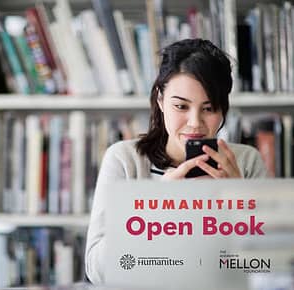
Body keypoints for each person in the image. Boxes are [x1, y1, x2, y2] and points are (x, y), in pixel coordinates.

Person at [84, 38, 269, 284]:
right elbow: (97, 271)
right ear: (160, 100)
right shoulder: (125, 160)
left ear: (223, 108)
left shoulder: (245, 162)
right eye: (181, 106)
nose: (195, 123)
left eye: (209, 108)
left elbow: (265, 270)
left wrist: (239, 206)